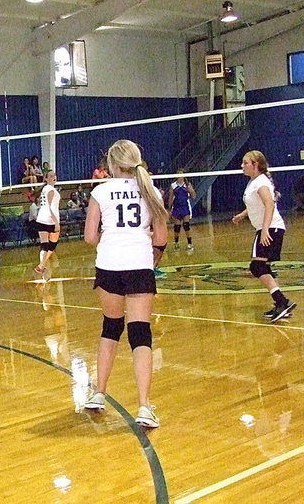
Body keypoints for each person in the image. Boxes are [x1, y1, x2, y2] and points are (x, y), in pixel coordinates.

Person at [81, 140, 167, 429]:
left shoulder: (100, 190)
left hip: (109, 266)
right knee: (140, 333)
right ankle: (144, 406)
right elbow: (161, 237)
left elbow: (90, 237)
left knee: (111, 327)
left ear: (112, 165)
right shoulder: (150, 190)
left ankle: (99, 393)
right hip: (138, 266)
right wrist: (151, 260)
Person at [232, 150, 296, 322]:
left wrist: (265, 229)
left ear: (256, 165)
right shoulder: (255, 182)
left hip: (270, 228)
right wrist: (243, 215)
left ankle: (282, 301)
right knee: (263, 267)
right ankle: (281, 304)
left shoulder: (261, 182)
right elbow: (258, 204)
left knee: (257, 267)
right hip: (270, 228)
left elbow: (269, 204)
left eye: (245, 163)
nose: (242, 166)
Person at [33, 171, 60, 281]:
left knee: (45, 245)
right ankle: (41, 266)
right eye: (51, 176)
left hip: (41, 219)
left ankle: (41, 266)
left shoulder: (45, 189)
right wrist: (56, 222)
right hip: (49, 220)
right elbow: (49, 207)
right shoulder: (50, 189)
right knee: (52, 245)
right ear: (46, 179)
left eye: (54, 175)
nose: (54, 177)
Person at [167, 173, 196, 251]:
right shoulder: (173, 185)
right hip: (176, 207)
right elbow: (170, 198)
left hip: (185, 207)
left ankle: (190, 244)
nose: (179, 176)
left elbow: (193, 196)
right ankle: (176, 243)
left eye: (181, 174)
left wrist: (191, 190)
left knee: (186, 225)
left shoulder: (187, 185)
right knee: (177, 227)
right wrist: (169, 209)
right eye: (178, 174)